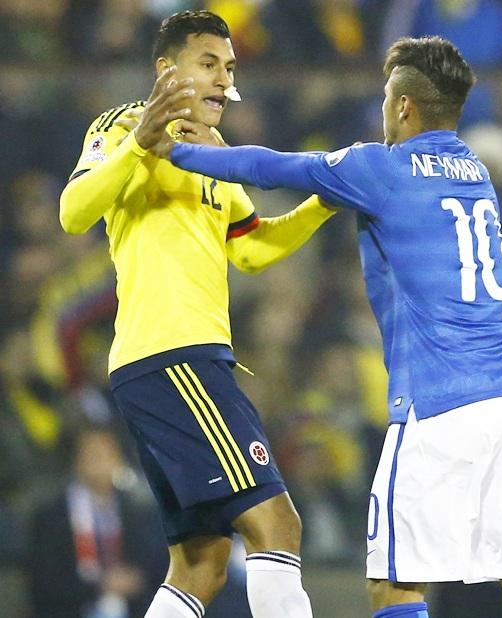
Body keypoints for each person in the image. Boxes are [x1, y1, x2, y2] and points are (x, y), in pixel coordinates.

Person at [154, 36, 502, 618]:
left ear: (403, 107)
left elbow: (270, 168)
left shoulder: (383, 167)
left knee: (394, 587)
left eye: (385, 97)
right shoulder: (475, 171)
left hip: (440, 399)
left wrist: (178, 153)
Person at [60, 10, 336, 618]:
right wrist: (140, 144)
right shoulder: (121, 126)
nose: (222, 81)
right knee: (278, 525)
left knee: (202, 564)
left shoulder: (215, 151)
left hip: (180, 364)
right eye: (208, 64)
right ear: (166, 69)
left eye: (229, 68)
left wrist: (325, 201)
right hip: (172, 357)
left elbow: (252, 247)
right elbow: (74, 212)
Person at [28, 426, 166, 618]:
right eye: (92, 455)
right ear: (76, 461)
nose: (101, 463)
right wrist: (100, 586)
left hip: (134, 608)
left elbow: (156, 566)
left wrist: (134, 579)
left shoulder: (139, 509)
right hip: (73, 609)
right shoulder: (52, 516)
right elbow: (45, 580)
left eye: (107, 454)